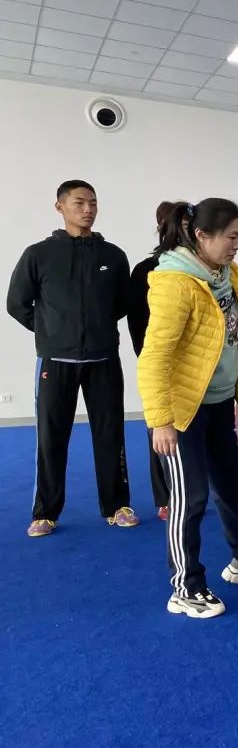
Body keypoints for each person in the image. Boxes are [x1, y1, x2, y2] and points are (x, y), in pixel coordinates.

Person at [138, 198, 238, 619]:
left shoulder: (228, 273)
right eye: (232, 237)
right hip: (182, 412)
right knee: (191, 499)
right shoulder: (175, 282)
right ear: (202, 235)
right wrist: (161, 422)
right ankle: (185, 587)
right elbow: (154, 358)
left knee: (230, 485)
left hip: (220, 402)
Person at [8, 180, 137, 538]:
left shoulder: (113, 256)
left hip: (103, 360)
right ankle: (46, 512)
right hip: (55, 362)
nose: (88, 209)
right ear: (60, 207)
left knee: (110, 434)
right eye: (79, 202)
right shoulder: (38, 254)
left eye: (93, 203)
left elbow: (122, 304)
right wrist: (53, 332)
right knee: (51, 438)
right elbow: (17, 303)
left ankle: (117, 505)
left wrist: (97, 328)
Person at [129, 201, 187, 522]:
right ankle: (165, 497)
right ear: (162, 227)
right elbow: (138, 324)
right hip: (161, 365)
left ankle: (193, 489)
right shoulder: (145, 270)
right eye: (173, 224)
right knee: (160, 428)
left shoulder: (198, 269)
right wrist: (152, 362)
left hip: (194, 367)